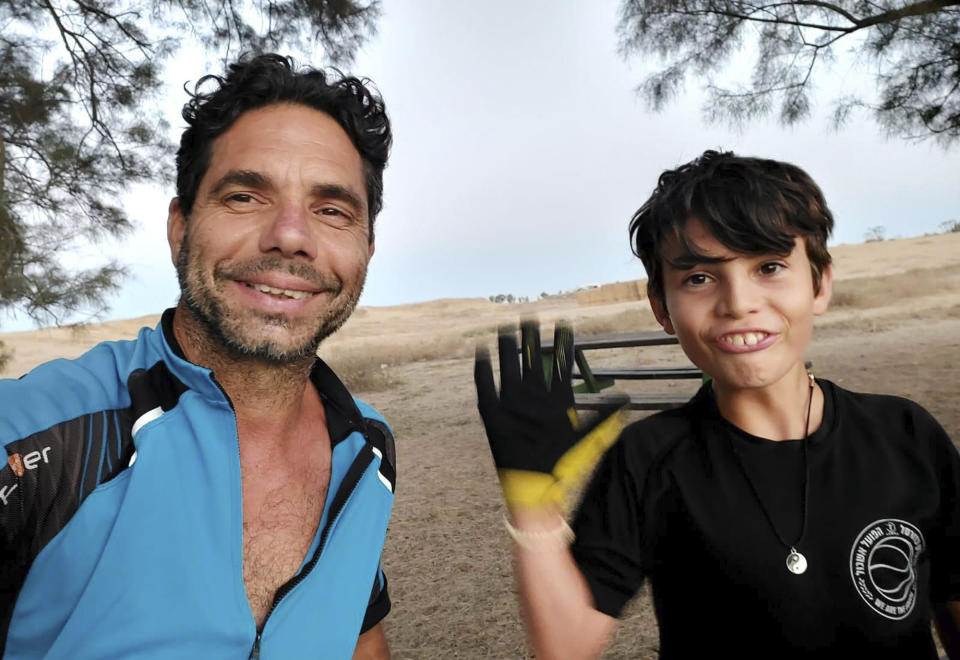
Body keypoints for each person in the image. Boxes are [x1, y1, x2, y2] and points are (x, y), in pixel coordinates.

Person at [475, 150, 960, 658]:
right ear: (662, 306)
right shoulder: (648, 458)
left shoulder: (906, 434)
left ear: (820, 283)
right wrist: (533, 509)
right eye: (699, 278)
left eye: (769, 267)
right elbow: (565, 647)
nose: (737, 303)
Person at [0, 53, 396, 659]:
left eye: (332, 210)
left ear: (366, 247)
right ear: (180, 227)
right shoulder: (40, 442)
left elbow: (358, 631)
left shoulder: (368, 451)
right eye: (244, 196)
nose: (291, 235)